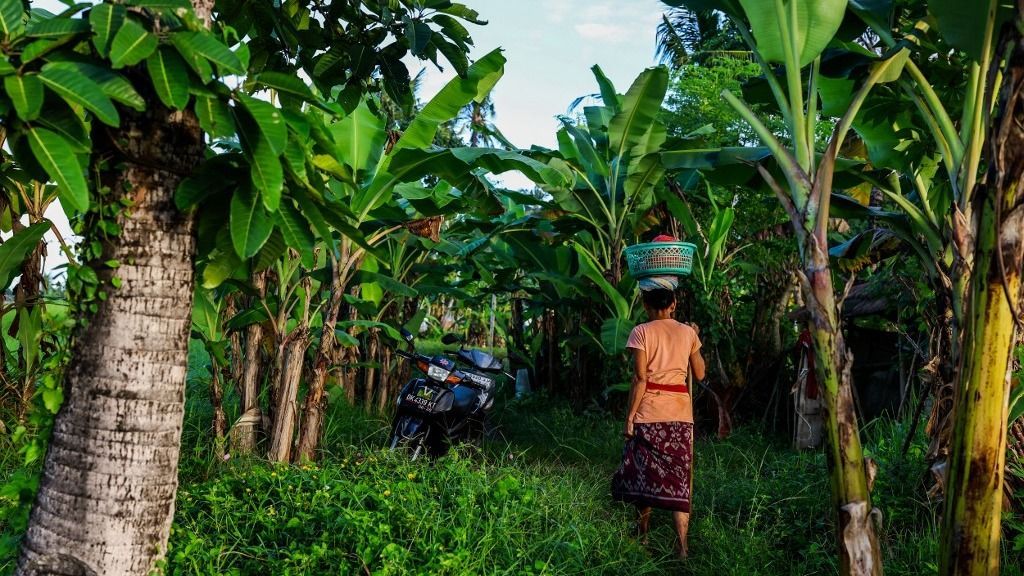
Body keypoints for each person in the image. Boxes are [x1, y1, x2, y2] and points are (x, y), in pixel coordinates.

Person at [611, 287, 705, 558]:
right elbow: (699, 373)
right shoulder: (688, 333)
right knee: (680, 481)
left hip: (649, 414)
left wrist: (629, 417)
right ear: (673, 304)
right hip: (680, 416)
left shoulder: (641, 331)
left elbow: (640, 379)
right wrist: (694, 338)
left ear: (645, 305)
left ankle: (642, 537)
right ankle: (683, 547)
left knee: (644, 477)